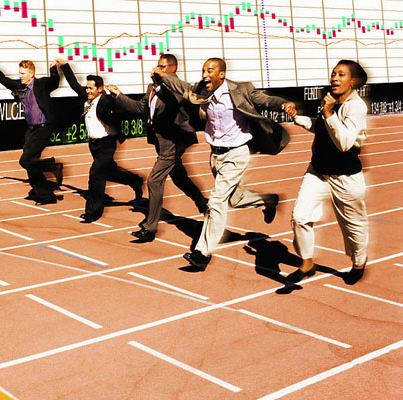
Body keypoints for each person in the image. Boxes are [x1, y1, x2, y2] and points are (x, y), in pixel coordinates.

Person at [158, 57, 296, 270]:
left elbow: (265, 100)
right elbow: (180, 86)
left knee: (216, 201)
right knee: (234, 198)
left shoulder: (240, 90)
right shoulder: (202, 90)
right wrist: (163, 76)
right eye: (203, 71)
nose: (205, 75)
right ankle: (267, 201)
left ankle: (202, 253)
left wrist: (283, 104)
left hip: (236, 154)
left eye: (209, 71)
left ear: (222, 74)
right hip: (216, 156)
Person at [283, 60, 369, 285]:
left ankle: (358, 262)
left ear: (353, 81)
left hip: (345, 176)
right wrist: (296, 118)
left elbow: (344, 142)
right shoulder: (330, 100)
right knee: (300, 217)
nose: (334, 78)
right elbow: (320, 127)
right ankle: (307, 263)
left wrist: (329, 112)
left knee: (353, 225)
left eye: (341, 74)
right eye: (333, 74)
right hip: (318, 171)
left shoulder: (356, 106)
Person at [108, 54, 208, 243]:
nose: (157, 69)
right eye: (157, 66)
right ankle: (203, 203)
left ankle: (150, 228)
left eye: (162, 67)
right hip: (161, 139)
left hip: (175, 139)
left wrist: (159, 84)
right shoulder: (152, 88)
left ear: (173, 69)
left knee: (154, 180)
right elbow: (140, 108)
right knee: (179, 176)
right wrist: (118, 95)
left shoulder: (177, 87)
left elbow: (172, 103)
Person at [58, 59, 143, 223]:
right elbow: (74, 84)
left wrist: (116, 96)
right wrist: (64, 66)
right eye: (87, 87)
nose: (87, 90)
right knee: (109, 171)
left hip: (107, 144)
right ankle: (135, 180)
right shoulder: (87, 98)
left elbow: (123, 109)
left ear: (100, 89)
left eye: (91, 88)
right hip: (94, 145)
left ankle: (92, 212)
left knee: (96, 174)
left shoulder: (106, 101)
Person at [0, 54, 63, 205]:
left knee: (25, 160)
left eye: (23, 73)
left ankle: (53, 166)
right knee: (31, 164)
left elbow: (54, 81)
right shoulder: (19, 86)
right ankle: (45, 195)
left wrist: (53, 69)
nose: (20, 76)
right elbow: (2, 79)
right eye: (19, 73)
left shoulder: (41, 84)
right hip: (30, 131)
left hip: (43, 129)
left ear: (31, 74)